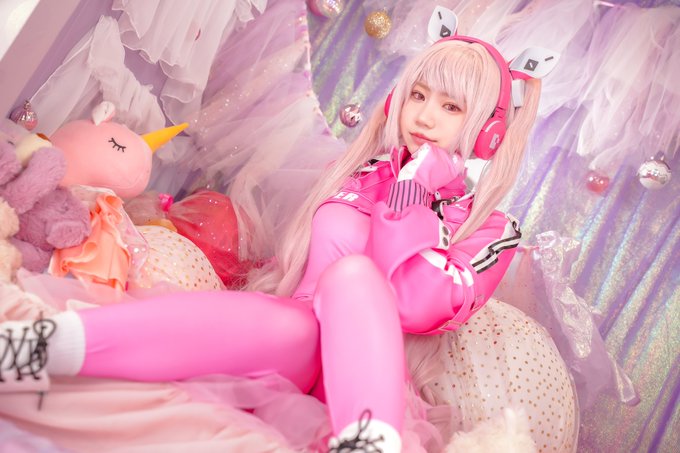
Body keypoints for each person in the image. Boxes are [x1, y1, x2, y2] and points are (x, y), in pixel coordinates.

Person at [0, 34, 544, 452]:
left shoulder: (492, 229)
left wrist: (411, 196)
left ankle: (371, 443)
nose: (423, 116)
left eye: (450, 107)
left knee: (354, 277)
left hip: (363, 378)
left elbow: (416, 305)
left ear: (488, 132)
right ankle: (37, 347)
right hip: (294, 346)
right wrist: (395, 184)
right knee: (292, 318)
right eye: (418, 96)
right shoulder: (357, 175)